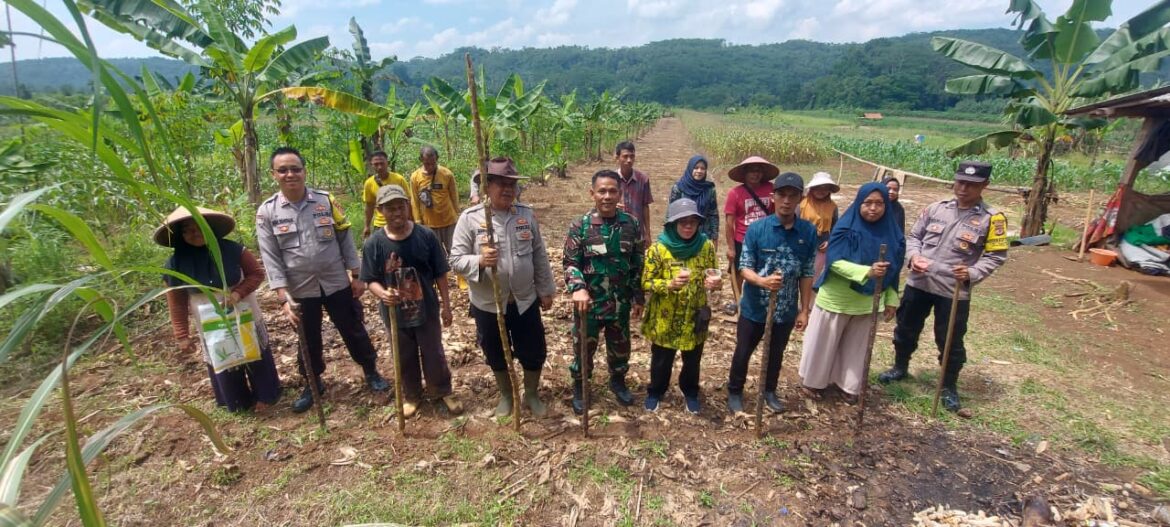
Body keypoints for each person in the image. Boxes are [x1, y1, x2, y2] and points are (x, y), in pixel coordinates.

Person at [256, 147, 389, 414]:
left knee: (352, 328)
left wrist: (357, 275)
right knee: (308, 337)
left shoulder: (325, 201)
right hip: (300, 289)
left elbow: (345, 238)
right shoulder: (267, 212)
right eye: (283, 170)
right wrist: (283, 298)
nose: (290, 174)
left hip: (336, 281)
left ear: (304, 171)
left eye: (295, 169)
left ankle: (370, 370)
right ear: (274, 175)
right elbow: (270, 258)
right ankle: (313, 382)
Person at [877, 161, 1009, 413]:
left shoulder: (992, 219)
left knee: (949, 339)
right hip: (920, 282)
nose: (963, 189)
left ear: (985, 185)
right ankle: (900, 366)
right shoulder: (935, 208)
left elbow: (996, 256)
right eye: (960, 182)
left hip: (953, 289)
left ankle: (949, 385)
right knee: (906, 327)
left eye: (971, 185)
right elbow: (914, 238)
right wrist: (914, 257)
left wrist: (972, 273)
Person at [449, 157, 556, 418]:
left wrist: (545, 289)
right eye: (501, 184)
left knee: (533, 350)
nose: (508, 189)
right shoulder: (470, 218)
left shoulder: (525, 215)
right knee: (495, 351)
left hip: (524, 300)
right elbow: (455, 260)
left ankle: (531, 394)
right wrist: (480, 260)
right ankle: (507, 395)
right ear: (486, 186)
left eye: (511, 184)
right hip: (489, 303)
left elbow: (539, 253)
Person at [157, 206, 281, 412]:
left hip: (243, 309)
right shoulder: (175, 264)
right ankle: (236, 400)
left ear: (210, 228)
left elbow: (256, 274)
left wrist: (237, 293)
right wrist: (182, 335)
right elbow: (176, 301)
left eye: (199, 227)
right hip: (209, 320)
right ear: (180, 235)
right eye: (187, 230)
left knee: (255, 351)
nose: (194, 233)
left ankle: (266, 395)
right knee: (221, 353)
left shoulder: (234, 250)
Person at [798, 182, 905, 403]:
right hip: (837, 298)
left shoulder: (893, 235)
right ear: (859, 203)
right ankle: (814, 382)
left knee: (857, 347)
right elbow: (834, 261)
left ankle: (848, 385)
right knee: (824, 344)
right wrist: (866, 271)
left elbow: (894, 269)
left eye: (879, 203)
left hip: (867, 301)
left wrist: (892, 298)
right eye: (868, 203)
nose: (873, 208)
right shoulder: (845, 228)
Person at [362, 185, 462, 417]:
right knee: (403, 354)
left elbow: (440, 273)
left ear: (408, 206)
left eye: (401, 207)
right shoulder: (374, 244)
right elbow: (370, 280)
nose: (397, 213)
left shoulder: (425, 236)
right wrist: (382, 294)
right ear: (380, 211)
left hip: (426, 308)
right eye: (390, 209)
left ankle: (441, 390)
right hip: (395, 313)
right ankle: (412, 394)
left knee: (433, 351)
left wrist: (447, 306)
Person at [727, 172, 817, 414]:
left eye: (792, 196)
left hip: (785, 309)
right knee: (743, 352)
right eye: (782, 195)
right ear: (773, 197)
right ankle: (735, 391)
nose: (786, 201)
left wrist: (804, 310)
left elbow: (807, 272)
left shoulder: (807, 232)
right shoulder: (757, 229)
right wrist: (763, 281)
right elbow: (744, 267)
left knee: (776, 353)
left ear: (800, 198)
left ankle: (769, 390)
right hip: (754, 307)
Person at [564, 169, 646, 414]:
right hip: (588, 303)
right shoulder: (580, 226)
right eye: (602, 191)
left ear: (620, 194)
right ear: (592, 194)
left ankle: (618, 381)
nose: (607, 196)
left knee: (620, 346)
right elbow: (570, 263)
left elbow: (637, 262)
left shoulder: (631, 224)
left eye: (612, 191)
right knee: (584, 347)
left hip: (619, 301)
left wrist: (638, 296)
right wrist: (578, 288)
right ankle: (581, 385)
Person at [641, 198, 721, 414]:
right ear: (672, 223)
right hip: (665, 316)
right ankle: (655, 391)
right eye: (683, 222)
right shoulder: (658, 249)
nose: (688, 226)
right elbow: (646, 282)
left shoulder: (705, 247)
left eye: (693, 222)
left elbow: (714, 275)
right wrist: (669, 284)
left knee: (692, 359)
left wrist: (715, 283)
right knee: (661, 359)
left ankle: (691, 392)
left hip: (694, 316)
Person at [723, 156, 779, 314]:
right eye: (752, 171)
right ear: (745, 174)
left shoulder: (771, 189)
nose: (756, 174)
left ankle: (761, 301)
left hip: (766, 239)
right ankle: (737, 301)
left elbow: (777, 214)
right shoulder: (735, 193)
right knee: (739, 272)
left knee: (764, 270)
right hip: (742, 239)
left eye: (758, 171)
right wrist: (731, 248)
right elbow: (729, 223)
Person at [409, 145, 460, 254]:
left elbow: (454, 196)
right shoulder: (415, 177)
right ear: (421, 160)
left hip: (449, 221)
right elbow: (414, 201)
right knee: (435, 254)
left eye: (433, 163)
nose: (430, 167)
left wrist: (457, 214)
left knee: (455, 251)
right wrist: (418, 221)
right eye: (427, 164)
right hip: (429, 224)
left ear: (437, 159)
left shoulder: (447, 174)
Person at [668, 155, 719, 243]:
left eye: (703, 168)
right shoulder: (679, 188)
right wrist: (669, 235)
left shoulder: (709, 189)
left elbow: (713, 214)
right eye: (696, 168)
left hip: (703, 236)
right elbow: (671, 213)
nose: (699, 171)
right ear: (690, 168)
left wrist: (715, 237)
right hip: (682, 234)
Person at [361, 150, 410, 239]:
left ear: (387, 163)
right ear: (371, 165)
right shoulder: (369, 183)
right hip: (380, 224)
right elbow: (369, 206)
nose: (379, 167)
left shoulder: (399, 179)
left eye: (382, 163)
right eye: (376, 164)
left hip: (399, 221)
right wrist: (367, 226)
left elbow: (408, 202)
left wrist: (410, 221)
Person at [801, 171, 840, 279]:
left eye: (825, 188)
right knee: (799, 271)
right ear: (812, 188)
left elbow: (835, 226)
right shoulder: (802, 204)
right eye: (818, 187)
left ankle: (810, 290)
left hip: (822, 243)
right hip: (803, 241)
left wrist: (829, 241)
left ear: (829, 190)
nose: (821, 191)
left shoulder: (833, 206)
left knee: (814, 274)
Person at [614, 141, 654, 246]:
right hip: (615, 230)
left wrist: (647, 233)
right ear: (617, 158)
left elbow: (645, 206)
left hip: (637, 231)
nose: (629, 160)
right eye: (625, 156)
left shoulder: (642, 179)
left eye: (632, 156)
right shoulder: (611, 179)